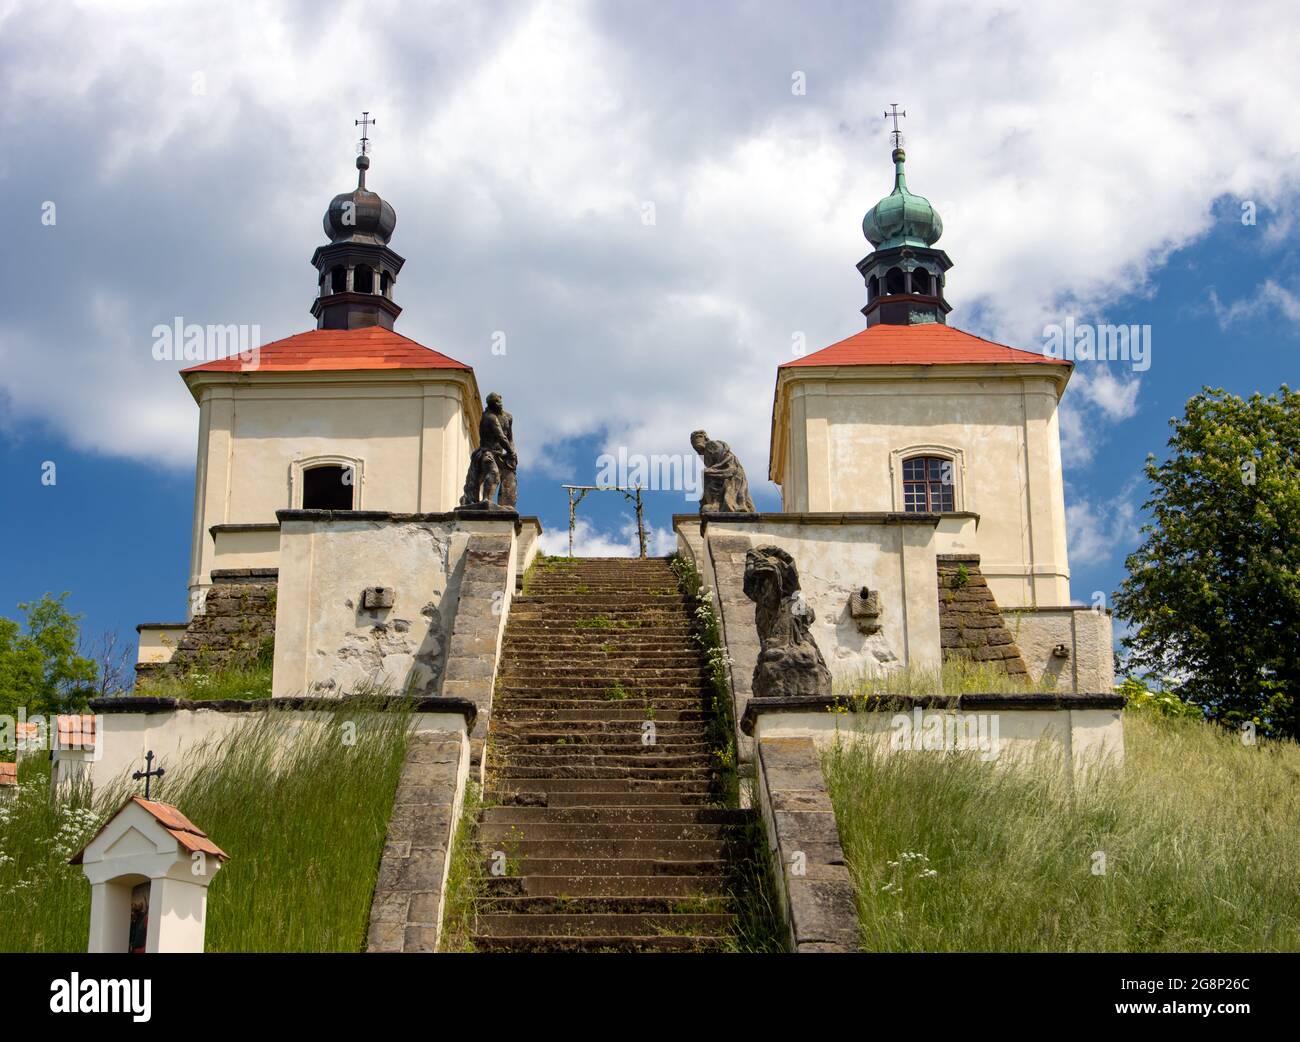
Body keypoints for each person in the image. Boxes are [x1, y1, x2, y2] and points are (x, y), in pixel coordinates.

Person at [690, 429, 755, 513]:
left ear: (705, 438)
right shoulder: (704, 452)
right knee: (707, 475)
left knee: (706, 474)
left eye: (698, 437)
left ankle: (716, 504)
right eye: (693, 441)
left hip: (729, 469)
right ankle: (716, 503)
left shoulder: (710, 445)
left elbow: (724, 459)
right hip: (726, 469)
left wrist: (712, 470)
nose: (695, 442)